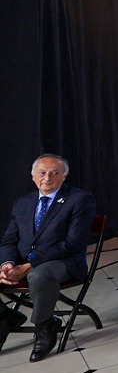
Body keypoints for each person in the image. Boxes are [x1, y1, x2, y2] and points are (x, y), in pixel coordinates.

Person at [0, 154, 95, 361]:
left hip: (64, 261)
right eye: (42, 172)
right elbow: (9, 240)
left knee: (39, 275)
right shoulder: (22, 203)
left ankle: (44, 326)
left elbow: (72, 244)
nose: (47, 178)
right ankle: (5, 317)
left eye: (54, 173)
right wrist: (7, 264)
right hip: (23, 261)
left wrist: (29, 265)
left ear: (64, 176)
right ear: (33, 175)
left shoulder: (80, 199)